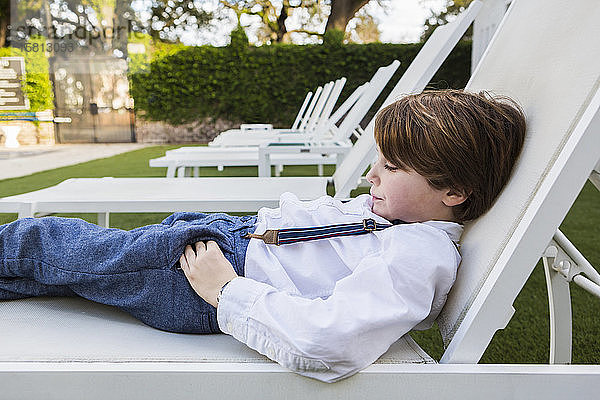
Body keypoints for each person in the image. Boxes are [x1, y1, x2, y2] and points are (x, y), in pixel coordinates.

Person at [0, 89, 526, 383]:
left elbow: (331, 339)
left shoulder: (418, 253)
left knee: (47, 242)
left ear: (454, 189)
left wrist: (224, 291)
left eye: (389, 168)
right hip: (221, 244)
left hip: (199, 277)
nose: (372, 177)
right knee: (63, 273)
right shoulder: (400, 220)